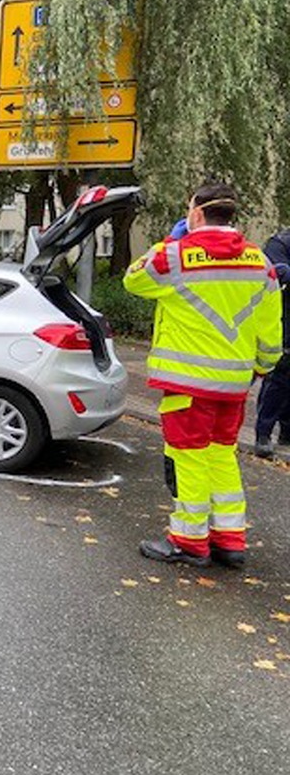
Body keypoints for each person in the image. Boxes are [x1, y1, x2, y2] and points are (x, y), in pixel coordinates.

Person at [123, 182, 282, 568]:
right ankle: (230, 540)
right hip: (234, 386)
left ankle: (190, 541)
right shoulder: (261, 263)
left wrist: (168, 242)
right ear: (231, 215)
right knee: (222, 457)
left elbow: (133, 279)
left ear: (195, 213)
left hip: (187, 384)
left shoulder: (173, 257)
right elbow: (271, 332)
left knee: (188, 459)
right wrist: (260, 368)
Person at [254, 227, 290, 457]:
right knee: (280, 375)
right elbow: (275, 272)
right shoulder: (281, 242)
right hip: (285, 315)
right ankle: (263, 433)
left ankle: (287, 432)